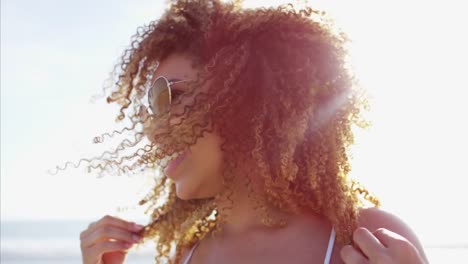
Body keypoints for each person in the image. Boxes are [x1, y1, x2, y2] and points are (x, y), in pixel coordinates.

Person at [77, 0, 429, 263]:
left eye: (168, 96)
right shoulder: (189, 255)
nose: (153, 129)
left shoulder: (366, 240)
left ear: (248, 99)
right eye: (149, 108)